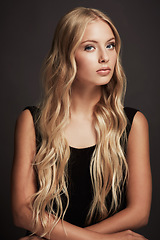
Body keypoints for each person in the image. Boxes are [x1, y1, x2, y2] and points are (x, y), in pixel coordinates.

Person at [11, 7, 152, 240]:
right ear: (66, 54)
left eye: (110, 45)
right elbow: (22, 212)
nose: (105, 56)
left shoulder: (133, 123)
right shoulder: (31, 121)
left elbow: (139, 213)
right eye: (89, 47)